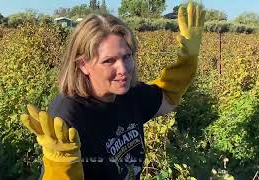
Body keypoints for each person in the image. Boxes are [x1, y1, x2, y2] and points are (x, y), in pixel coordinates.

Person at [21, 1, 205, 180]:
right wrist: (60, 167)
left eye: (127, 56)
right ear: (83, 64)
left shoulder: (129, 94)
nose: (123, 70)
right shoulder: (68, 115)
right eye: (109, 61)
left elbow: (167, 99)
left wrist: (187, 60)